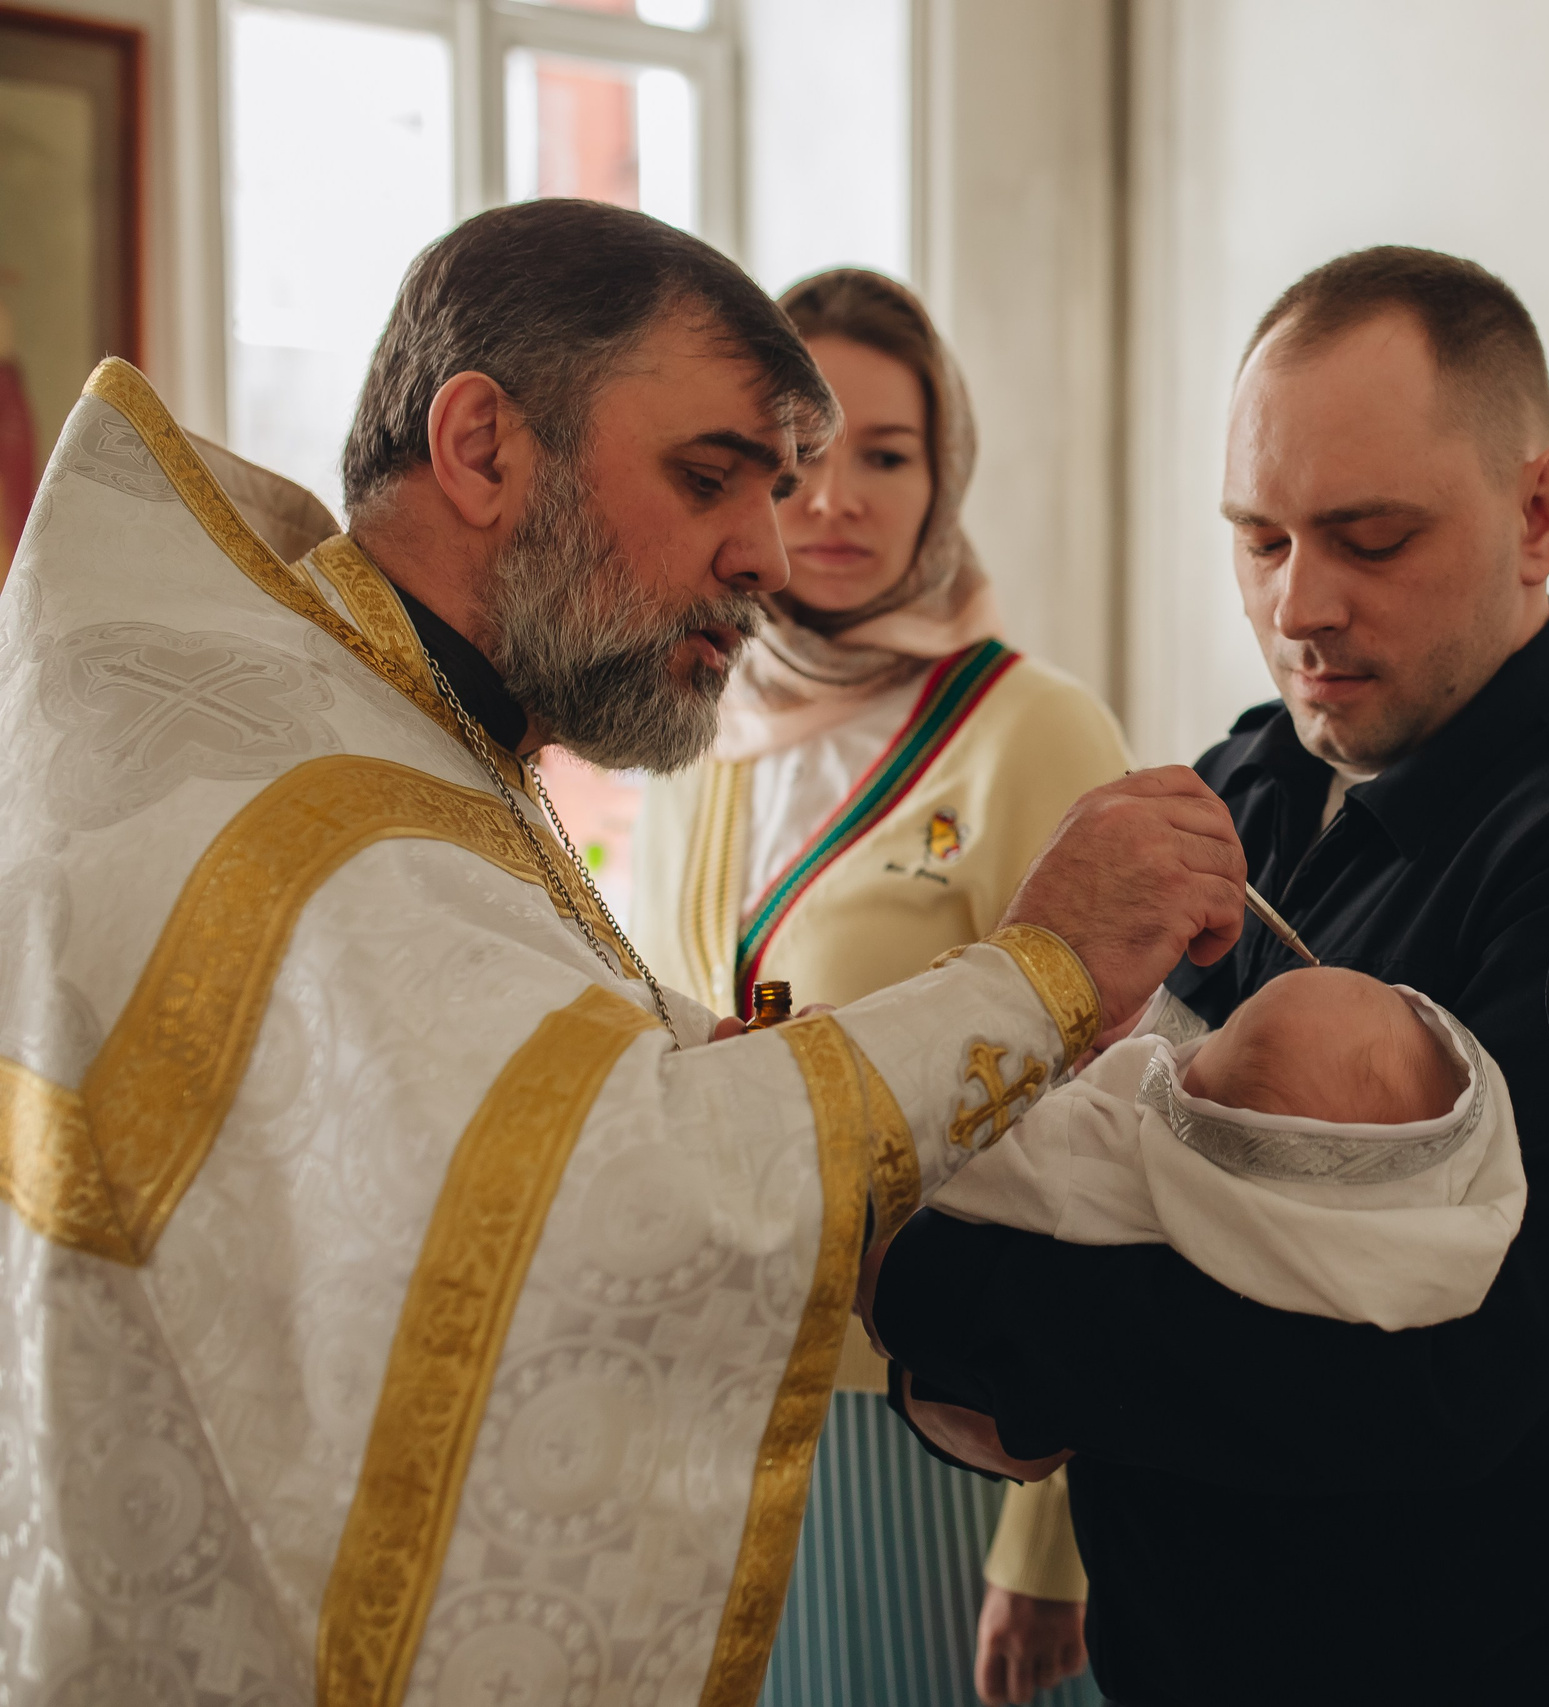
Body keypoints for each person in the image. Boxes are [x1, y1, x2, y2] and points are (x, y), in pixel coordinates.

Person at [0, 200, 1246, 1707]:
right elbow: (606, 1183)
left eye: (784, 485)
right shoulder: (299, 798)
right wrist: (1042, 970)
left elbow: (582, 1057)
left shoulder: (413, 736)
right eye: (710, 477)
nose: (769, 552)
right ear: (481, 448)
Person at [868, 247, 1549, 1706]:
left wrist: (920, 1280)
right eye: (1260, 538)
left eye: (1371, 539)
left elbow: (1424, 1373)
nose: (1300, 603)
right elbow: (1097, 1149)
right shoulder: (1243, 783)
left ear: (1540, 513)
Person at [630, 267, 1126, 1707]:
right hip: (720, 1403)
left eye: (888, 456)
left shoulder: (1031, 728)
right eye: (797, 460)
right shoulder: (698, 728)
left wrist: (1056, 1541)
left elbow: (1120, 1136)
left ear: (944, 475)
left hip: (958, 1409)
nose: (837, 499)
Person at [933, 966, 1525, 1332]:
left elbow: (953, 1144)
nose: (1176, 1055)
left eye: (1189, 1073)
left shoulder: (1105, 1167)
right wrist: (1151, 1022)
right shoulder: (1393, 1215)